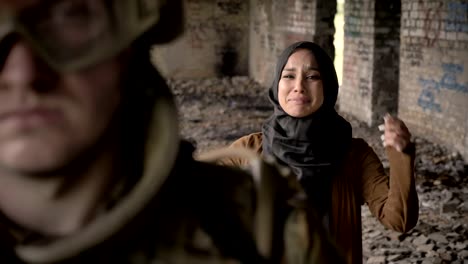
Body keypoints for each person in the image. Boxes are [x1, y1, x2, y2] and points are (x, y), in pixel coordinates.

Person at [0, 1, 346, 263]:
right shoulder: (250, 171)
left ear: (131, 45)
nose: (23, 73)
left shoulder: (261, 230)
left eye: (69, 14)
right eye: (289, 75)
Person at [222, 41, 419, 264]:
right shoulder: (248, 150)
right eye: (288, 76)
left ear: (328, 86)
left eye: (312, 77)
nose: (299, 86)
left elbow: (399, 220)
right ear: (277, 83)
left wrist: (401, 155)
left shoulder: (354, 154)